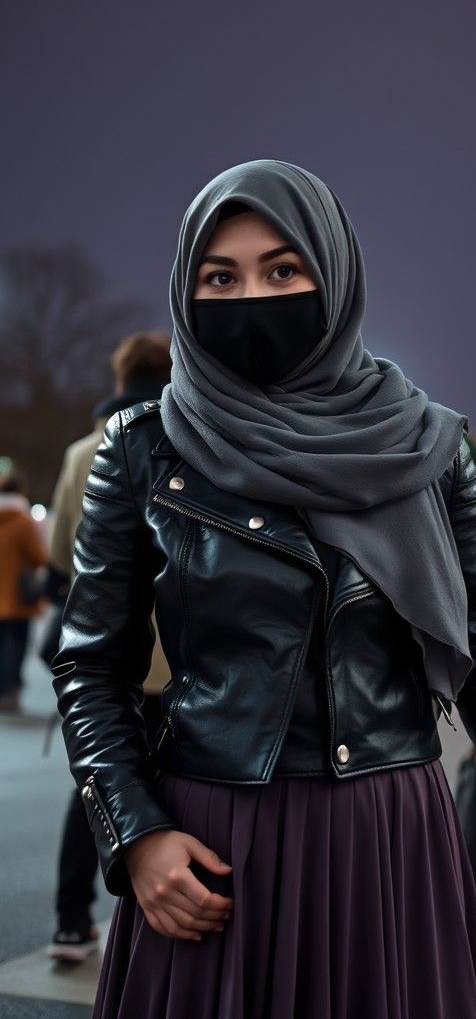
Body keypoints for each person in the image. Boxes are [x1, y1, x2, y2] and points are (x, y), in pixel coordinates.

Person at [52, 160, 476, 1019]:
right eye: (218, 277)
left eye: (282, 269)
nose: (250, 298)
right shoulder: (142, 449)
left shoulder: (429, 446)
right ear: (185, 288)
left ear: (334, 274)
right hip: (211, 842)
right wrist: (138, 836)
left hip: (387, 840)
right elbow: (89, 668)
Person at [47, 332, 173, 962]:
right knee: (175, 795)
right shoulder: (185, 440)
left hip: (99, 642)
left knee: (96, 784)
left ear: (119, 377)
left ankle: (71, 919)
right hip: (174, 655)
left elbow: (59, 554)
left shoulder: (81, 453)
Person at [0, 473, 48, 712]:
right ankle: (11, 691)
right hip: (17, 595)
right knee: (16, 645)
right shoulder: (23, 522)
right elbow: (39, 557)